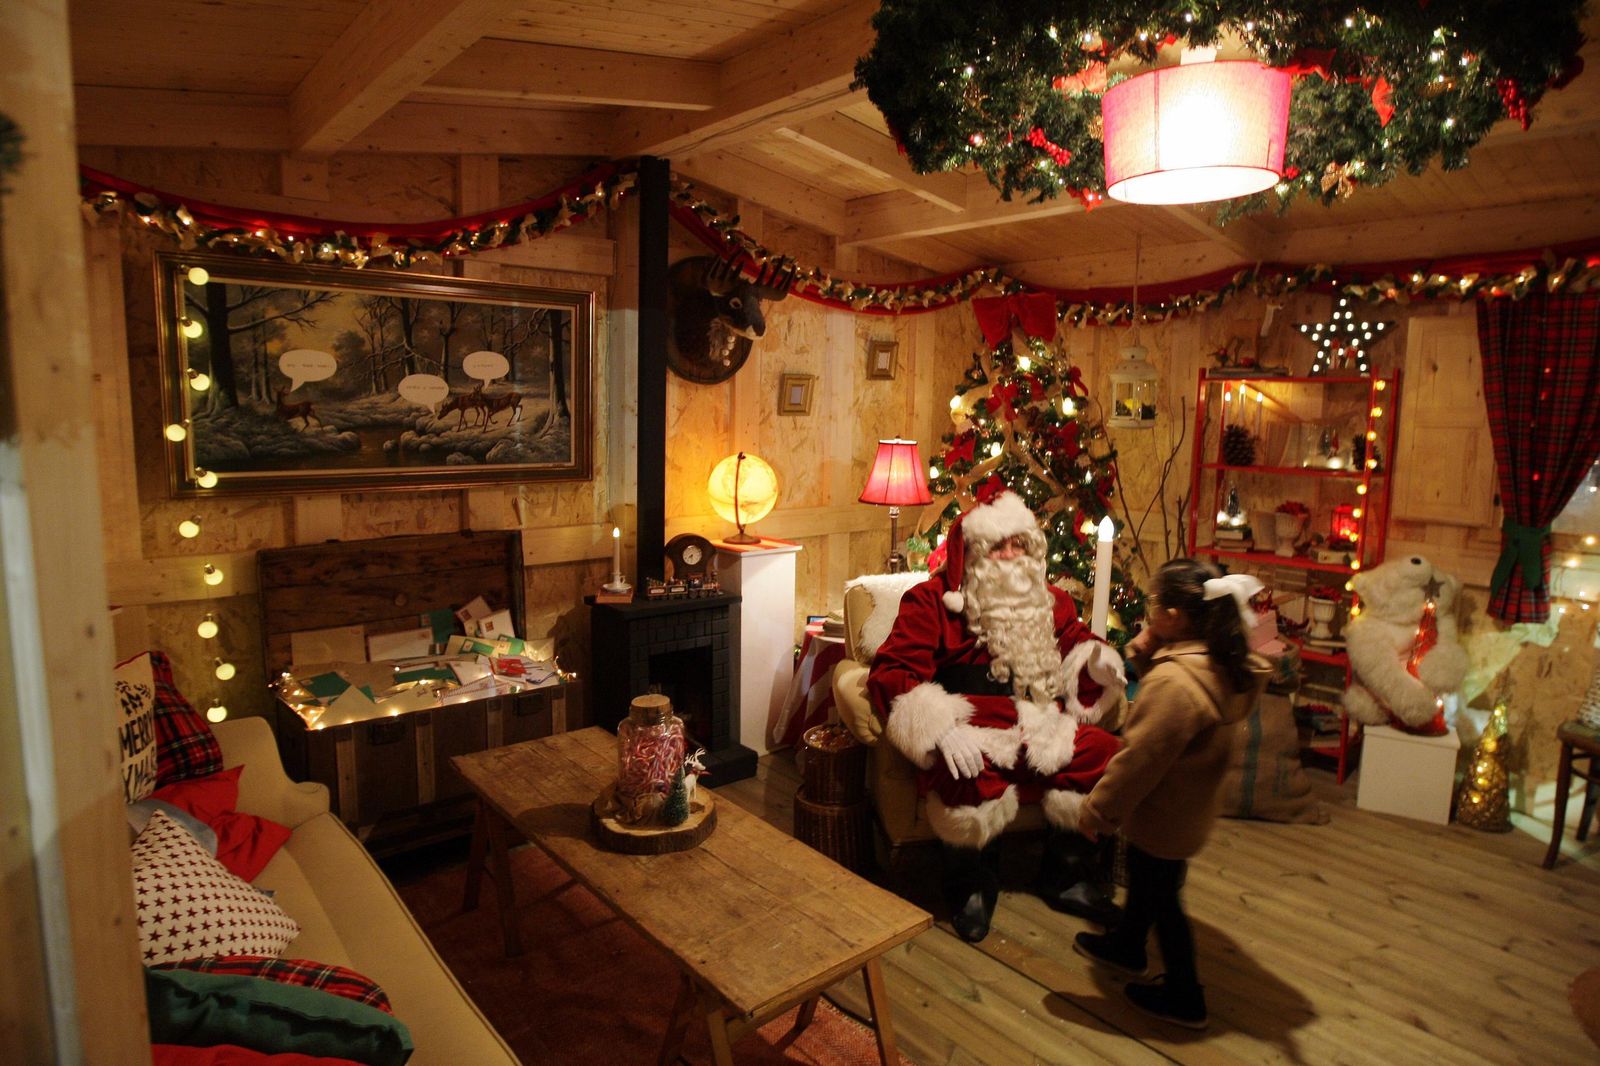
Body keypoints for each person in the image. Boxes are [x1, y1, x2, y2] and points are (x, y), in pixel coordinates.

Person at [867, 488, 1127, 943]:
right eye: (997, 546)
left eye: (1018, 544)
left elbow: (1076, 643)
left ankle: (1066, 874)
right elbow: (893, 672)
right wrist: (940, 728)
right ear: (971, 553)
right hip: (974, 731)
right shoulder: (930, 602)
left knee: (1108, 756)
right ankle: (971, 886)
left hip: (1043, 726)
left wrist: (1095, 660)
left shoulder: (1052, 603)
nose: (1009, 555)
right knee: (963, 770)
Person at [1073, 560, 1271, 1030]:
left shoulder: (1175, 684)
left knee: (1165, 901)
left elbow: (1140, 760)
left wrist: (1097, 811)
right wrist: (1149, 651)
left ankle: (1186, 994)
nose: (1148, 610)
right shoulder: (1217, 662)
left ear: (1177, 615)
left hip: (1163, 812)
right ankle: (1127, 944)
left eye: (1154, 604)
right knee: (1149, 881)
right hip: (1189, 810)